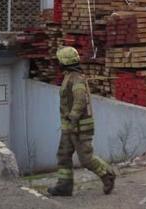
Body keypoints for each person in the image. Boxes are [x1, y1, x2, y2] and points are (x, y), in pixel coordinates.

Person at [48, 46, 116, 197]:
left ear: (65, 62)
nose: (57, 63)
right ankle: (64, 186)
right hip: (69, 126)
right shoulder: (69, 76)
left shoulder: (76, 79)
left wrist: (73, 117)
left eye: (59, 60)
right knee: (63, 155)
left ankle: (107, 174)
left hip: (79, 126)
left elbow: (80, 100)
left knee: (86, 158)